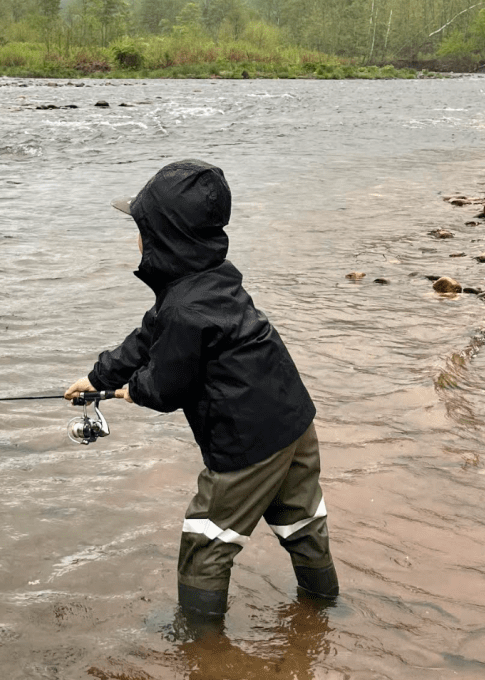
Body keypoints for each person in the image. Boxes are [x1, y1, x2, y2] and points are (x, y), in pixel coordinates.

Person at [64, 159, 338, 624]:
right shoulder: (210, 279)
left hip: (245, 441)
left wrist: (133, 391)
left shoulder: (185, 309)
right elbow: (150, 336)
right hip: (292, 419)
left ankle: (200, 646)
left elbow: (167, 387)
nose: (136, 237)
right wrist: (99, 378)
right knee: (302, 521)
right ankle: (325, 609)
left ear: (162, 238)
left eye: (141, 227)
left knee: (207, 540)